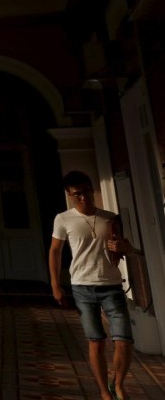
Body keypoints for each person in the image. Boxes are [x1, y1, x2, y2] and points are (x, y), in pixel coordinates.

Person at [49, 170, 133, 400]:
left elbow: (126, 246)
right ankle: (104, 391)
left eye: (87, 192)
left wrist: (124, 248)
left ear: (92, 190)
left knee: (124, 341)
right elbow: (55, 251)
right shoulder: (63, 219)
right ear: (69, 195)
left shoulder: (110, 217)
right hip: (82, 286)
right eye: (78, 194)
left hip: (112, 284)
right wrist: (55, 284)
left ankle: (118, 383)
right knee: (96, 341)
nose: (84, 198)